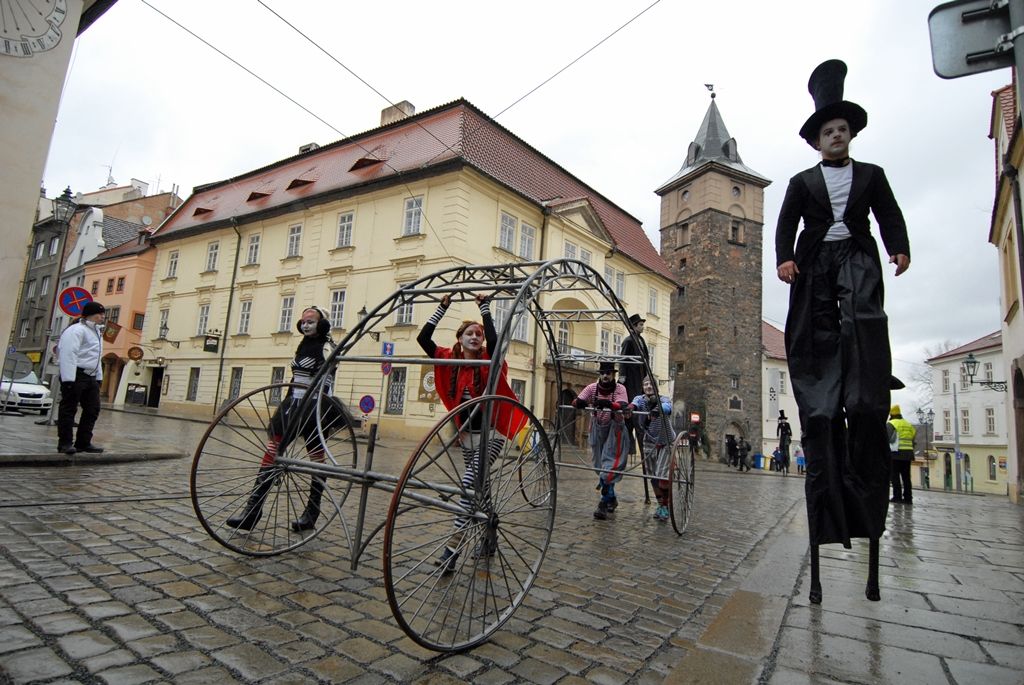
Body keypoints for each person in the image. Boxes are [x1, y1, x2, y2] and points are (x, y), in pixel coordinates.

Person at [776, 59, 910, 604]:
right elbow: (785, 224)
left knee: (863, 318)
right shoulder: (802, 182)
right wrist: (785, 259)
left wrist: (899, 247)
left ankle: (864, 370)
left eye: (842, 130)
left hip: (855, 257)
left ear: (850, 135)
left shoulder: (871, 175)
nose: (836, 136)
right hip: (815, 264)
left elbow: (889, 214)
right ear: (817, 140)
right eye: (828, 131)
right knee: (818, 338)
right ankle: (826, 375)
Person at [418, 293, 526, 572]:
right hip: (468, 437)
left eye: (479, 334)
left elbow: (496, 341)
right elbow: (423, 339)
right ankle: (490, 536)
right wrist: (442, 307)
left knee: (469, 485)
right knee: (482, 488)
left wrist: (485, 309)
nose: (475, 337)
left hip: (492, 434)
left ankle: (452, 550)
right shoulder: (449, 358)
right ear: (460, 338)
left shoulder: (489, 358)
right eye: (470, 333)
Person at [227, 306, 350, 533]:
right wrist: (286, 403)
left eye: (311, 321)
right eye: (303, 322)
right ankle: (252, 511)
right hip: (293, 403)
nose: (305, 325)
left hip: (314, 406)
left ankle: (311, 513)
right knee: (272, 449)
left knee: (316, 458)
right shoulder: (303, 345)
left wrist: (320, 407)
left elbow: (328, 379)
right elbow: (295, 378)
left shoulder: (326, 347)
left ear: (322, 324)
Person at [574, 361, 631, 520]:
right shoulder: (592, 388)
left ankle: (603, 503)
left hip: (615, 431)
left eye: (608, 373)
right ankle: (611, 497)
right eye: (602, 373)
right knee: (600, 467)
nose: (605, 376)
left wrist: (609, 404)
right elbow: (577, 401)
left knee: (609, 467)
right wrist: (580, 402)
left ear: (613, 375)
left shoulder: (620, 389)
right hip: (597, 429)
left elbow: (622, 404)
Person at [56, 301, 106, 455]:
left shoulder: (97, 332)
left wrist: (98, 376)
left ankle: (83, 442)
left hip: (90, 376)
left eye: (103, 314)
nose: (102, 317)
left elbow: (97, 357)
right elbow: (69, 354)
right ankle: (65, 443)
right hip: (76, 374)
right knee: (69, 409)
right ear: (91, 314)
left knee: (92, 409)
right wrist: (68, 379)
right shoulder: (76, 330)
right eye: (100, 314)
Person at [629, 376, 675, 521]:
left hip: (665, 441)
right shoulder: (640, 399)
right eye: (646, 384)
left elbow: (667, 407)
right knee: (653, 476)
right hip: (649, 441)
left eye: (651, 384)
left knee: (662, 475)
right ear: (643, 387)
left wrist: (658, 410)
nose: (648, 386)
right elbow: (634, 404)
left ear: (656, 387)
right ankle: (660, 504)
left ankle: (665, 506)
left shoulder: (663, 399)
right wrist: (630, 408)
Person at [619, 314, 649, 459]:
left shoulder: (641, 340)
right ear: (634, 326)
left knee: (640, 405)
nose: (642, 327)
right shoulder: (628, 341)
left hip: (640, 379)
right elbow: (623, 359)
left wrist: (647, 376)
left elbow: (646, 360)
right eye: (640, 324)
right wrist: (622, 377)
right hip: (631, 380)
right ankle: (628, 447)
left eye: (642, 324)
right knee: (632, 410)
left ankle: (642, 451)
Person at [887, 405, 916, 505]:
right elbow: (913, 435)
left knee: (895, 476)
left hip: (896, 453)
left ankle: (897, 496)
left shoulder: (891, 424)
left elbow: (887, 437)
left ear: (891, 414)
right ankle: (908, 498)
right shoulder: (908, 424)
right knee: (906, 477)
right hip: (908, 453)